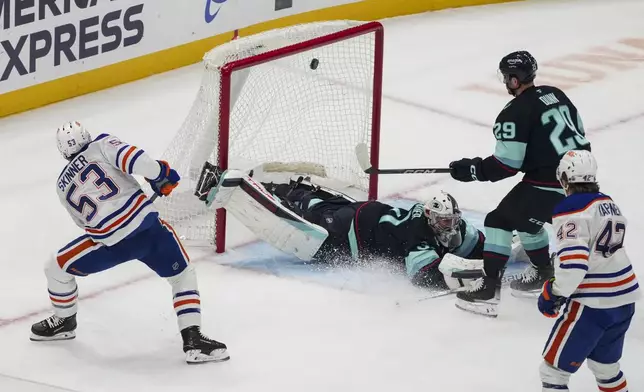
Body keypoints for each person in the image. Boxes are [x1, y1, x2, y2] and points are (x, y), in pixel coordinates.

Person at [30, 121, 229, 364]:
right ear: (87, 136)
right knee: (183, 275)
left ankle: (64, 321)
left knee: (55, 267)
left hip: (110, 244)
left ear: (63, 152)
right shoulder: (101, 144)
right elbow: (135, 159)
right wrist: (160, 174)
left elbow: (84, 223)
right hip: (148, 230)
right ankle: (193, 339)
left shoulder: (61, 186)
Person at [448, 50, 591, 317]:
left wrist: (473, 169)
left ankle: (488, 290)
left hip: (548, 184)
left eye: (506, 77)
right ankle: (542, 273)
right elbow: (578, 132)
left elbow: (506, 165)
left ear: (513, 80)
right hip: (583, 180)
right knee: (526, 220)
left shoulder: (514, 111)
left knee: (499, 221)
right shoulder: (556, 93)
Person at [195, 163, 485, 290]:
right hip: (346, 235)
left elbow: (481, 242)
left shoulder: (446, 225)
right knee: (303, 215)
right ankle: (227, 185)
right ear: (431, 217)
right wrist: (467, 275)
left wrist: (499, 255)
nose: (449, 225)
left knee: (312, 204)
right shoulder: (419, 235)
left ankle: (284, 187)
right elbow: (422, 276)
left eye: (451, 220)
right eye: (443, 221)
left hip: (361, 213)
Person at [537, 150, 640, 392]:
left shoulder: (571, 207)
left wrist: (553, 292)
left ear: (564, 177)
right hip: (624, 300)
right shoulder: (607, 202)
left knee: (553, 372)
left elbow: (573, 266)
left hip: (593, 305)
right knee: (606, 369)